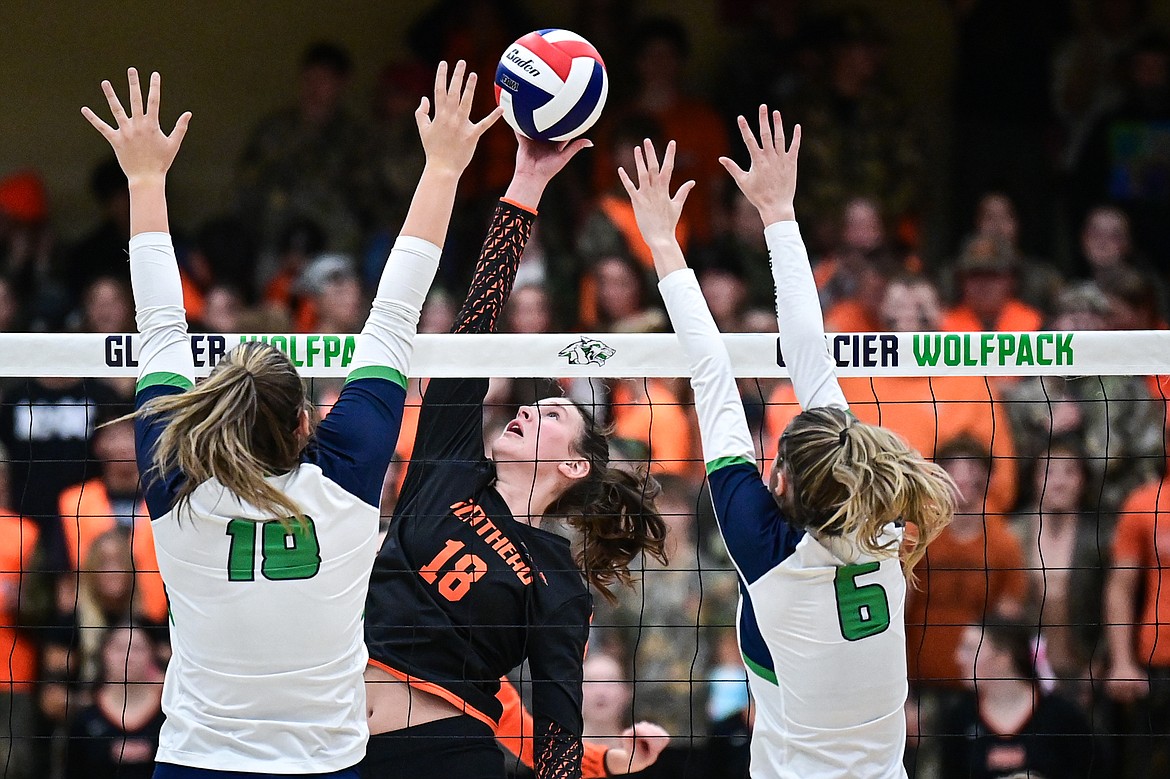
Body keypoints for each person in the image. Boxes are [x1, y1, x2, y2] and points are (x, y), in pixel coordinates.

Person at [82, 61, 497, 776]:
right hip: (322, 765)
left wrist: (143, 181)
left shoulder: (175, 485)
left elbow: (155, 321)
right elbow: (396, 312)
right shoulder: (338, 482)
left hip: (196, 763)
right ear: (308, 423)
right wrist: (444, 169)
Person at [618, 111, 956, 776]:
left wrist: (670, 235)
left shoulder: (777, 550)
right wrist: (773, 211)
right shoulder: (880, 525)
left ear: (780, 483)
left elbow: (759, 364)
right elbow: (732, 371)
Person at [362, 133, 668, 779]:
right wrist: (525, 183)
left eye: (554, 413)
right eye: (534, 406)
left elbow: (556, 727)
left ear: (575, 465)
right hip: (334, 745)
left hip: (446, 758)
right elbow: (474, 324)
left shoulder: (556, 578)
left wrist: (602, 763)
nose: (528, 408)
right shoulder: (448, 468)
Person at [941, 619, 1096, 779]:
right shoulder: (960, 717)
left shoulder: (1061, 716)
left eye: (970, 649)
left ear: (1003, 656)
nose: (958, 657)